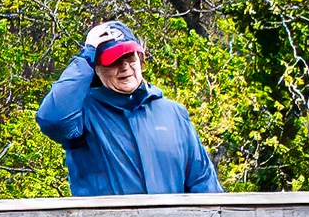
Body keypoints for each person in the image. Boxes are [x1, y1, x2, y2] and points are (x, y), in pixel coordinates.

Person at [37, 19, 219, 196]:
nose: (124, 66)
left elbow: (203, 181)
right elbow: (52, 120)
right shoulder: (84, 114)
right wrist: (86, 55)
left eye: (129, 57)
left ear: (140, 58)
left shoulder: (173, 113)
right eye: (113, 60)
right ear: (97, 69)